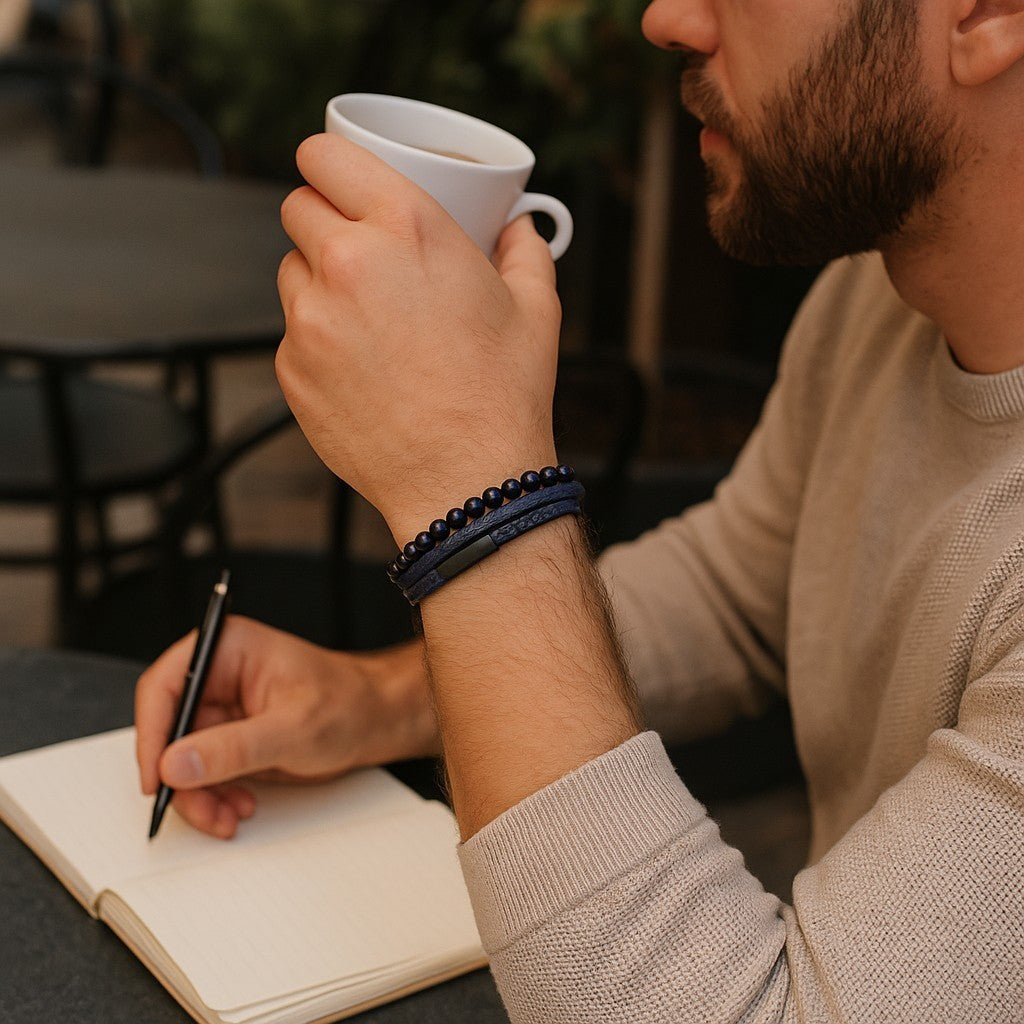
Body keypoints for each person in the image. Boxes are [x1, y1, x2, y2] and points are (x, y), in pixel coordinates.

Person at [136, 0, 1024, 1018]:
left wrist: (472, 493)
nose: (668, 18)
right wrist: (379, 700)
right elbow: (733, 592)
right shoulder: (877, 305)